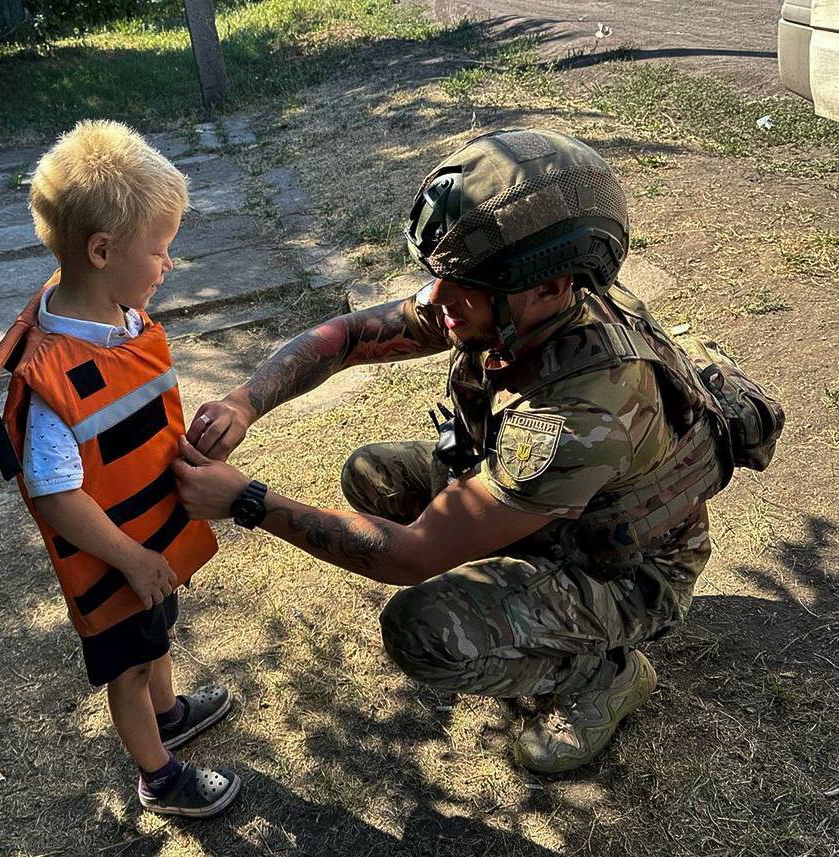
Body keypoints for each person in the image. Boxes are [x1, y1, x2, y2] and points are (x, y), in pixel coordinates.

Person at [173, 128, 734, 774]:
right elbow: (353, 335)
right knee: (374, 476)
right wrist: (247, 400)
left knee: (422, 629)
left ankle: (598, 675)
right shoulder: (521, 295)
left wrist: (246, 500)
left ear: (551, 286)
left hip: (626, 572)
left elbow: (413, 555)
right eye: (438, 276)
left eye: (464, 285)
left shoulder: (581, 412)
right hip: (565, 511)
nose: (435, 300)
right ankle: (517, 588)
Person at [0, 120, 240, 816]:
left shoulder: (117, 318)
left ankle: (169, 712)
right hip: (116, 558)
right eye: (160, 249)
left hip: (150, 541)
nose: (167, 264)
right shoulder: (54, 375)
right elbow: (54, 496)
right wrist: (133, 557)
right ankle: (159, 774)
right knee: (130, 663)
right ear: (101, 249)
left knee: (159, 631)